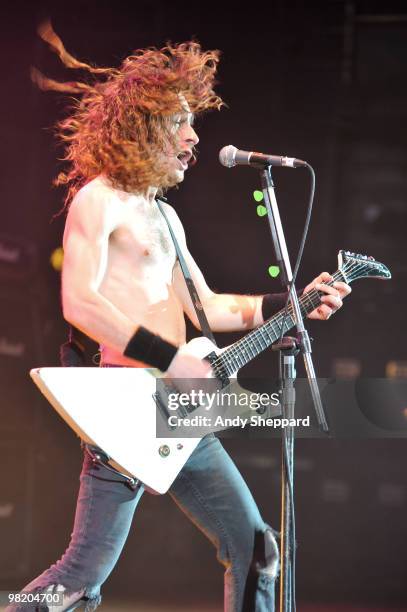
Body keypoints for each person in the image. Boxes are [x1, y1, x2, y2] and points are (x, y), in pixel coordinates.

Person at [9, 23, 350, 612]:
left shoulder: (165, 218)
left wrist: (289, 303)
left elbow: (207, 306)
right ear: (144, 127)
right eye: (181, 123)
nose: (194, 137)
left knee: (256, 546)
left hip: (178, 410)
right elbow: (81, 303)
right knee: (82, 573)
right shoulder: (99, 198)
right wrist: (171, 360)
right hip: (125, 409)